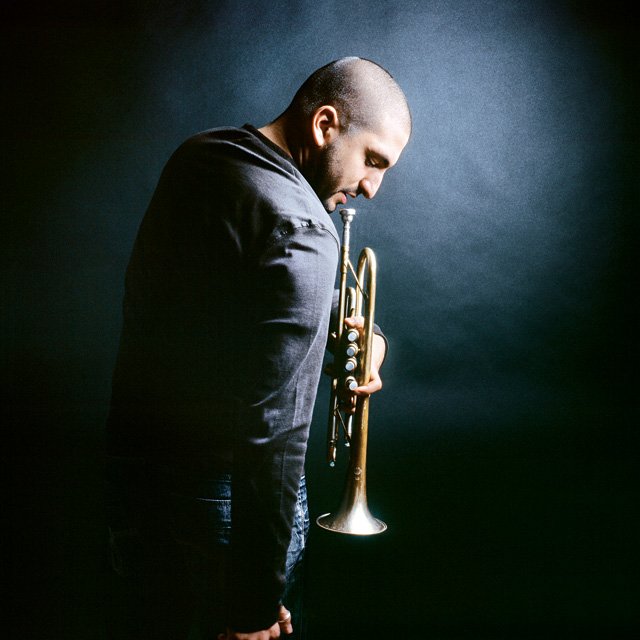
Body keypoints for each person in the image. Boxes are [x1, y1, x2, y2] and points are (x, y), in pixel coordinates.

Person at [105, 57, 411, 640]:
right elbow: (276, 434)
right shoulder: (305, 231)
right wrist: (253, 605)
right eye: (373, 160)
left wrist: (366, 338)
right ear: (325, 125)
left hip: (137, 485)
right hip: (224, 509)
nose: (372, 188)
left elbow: (233, 303)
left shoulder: (201, 155)